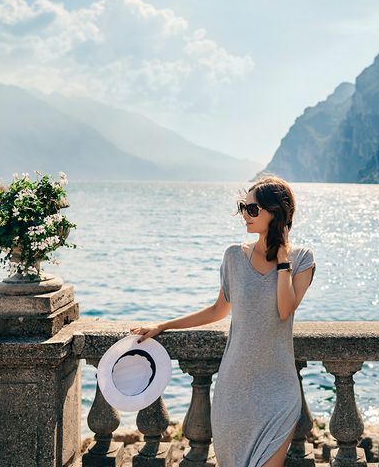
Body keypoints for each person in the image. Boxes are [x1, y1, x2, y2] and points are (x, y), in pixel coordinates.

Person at [130, 175, 316, 467]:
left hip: (279, 389)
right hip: (234, 388)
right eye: (243, 206)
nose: (245, 214)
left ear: (275, 212)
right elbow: (218, 310)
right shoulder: (233, 256)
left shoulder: (302, 260)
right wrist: (163, 326)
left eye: (252, 209)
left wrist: (283, 263)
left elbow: (284, 310)